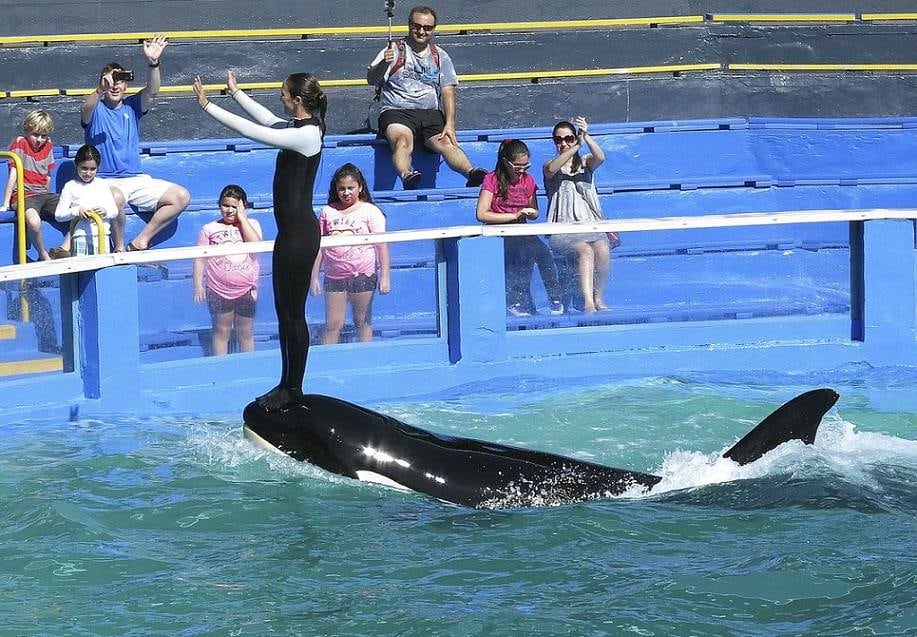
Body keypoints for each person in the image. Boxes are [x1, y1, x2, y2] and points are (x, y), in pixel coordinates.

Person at [193, 70, 325, 412]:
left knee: (294, 315)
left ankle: (294, 387)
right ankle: (286, 384)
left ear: (298, 100)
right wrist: (236, 94)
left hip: (300, 236)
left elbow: (256, 132)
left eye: (284, 93)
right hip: (290, 234)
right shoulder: (298, 127)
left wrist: (208, 106)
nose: (280, 97)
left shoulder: (309, 134)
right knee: (285, 313)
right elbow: (268, 119)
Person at [81, 34, 190, 252]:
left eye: (119, 80)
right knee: (116, 198)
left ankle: (140, 241)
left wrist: (153, 63)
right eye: (110, 80)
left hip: (136, 179)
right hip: (104, 181)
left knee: (181, 196)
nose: (115, 85)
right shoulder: (96, 109)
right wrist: (99, 90)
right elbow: (86, 108)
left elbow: (153, 90)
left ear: (126, 84)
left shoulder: (132, 106)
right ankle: (119, 249)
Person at [366, 5, 487, 190]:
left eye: (427, 28)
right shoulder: (393, 50)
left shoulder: (440, 55)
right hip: (398, 111)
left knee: (446, 142)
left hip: (429, 113)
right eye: (417, 26)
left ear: (433, 29)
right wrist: (384, 63)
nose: (421, 31)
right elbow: (372, 79)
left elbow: (448, 91)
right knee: (402, 141)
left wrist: (450, 124)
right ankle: (407, 175)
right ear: (409, 25)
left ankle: (471, 172)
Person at [475, 139, 563, 317]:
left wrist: (530, 214)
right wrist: (513, 216)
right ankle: (515, 300)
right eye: (517, 166)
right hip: (498, 230)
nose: (522, 170)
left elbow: (535, 210)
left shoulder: (528, 180)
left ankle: (555, 298)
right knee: (523, 254)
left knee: (544, 253)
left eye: (526, 165)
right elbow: (481, 214)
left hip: (521, 229)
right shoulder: (491, 179)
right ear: (506, 162)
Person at [310, 163, 391, 344]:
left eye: (350, 188)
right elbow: (320, 247)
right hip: (335, 277)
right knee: (332, 323)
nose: (346, 193)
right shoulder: (327, 212)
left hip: (362, 274)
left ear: (360, 187)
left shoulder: (370, 211)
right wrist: (314, 276)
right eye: (341, 189)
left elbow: (381, 245)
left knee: (361, 321)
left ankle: (366, 358)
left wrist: (385, 276)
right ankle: (326, 359)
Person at [544, 117, 615, 314]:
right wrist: (575, 146)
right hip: (562, 229)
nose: (563, 143)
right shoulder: (551, 164)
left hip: (589, 225)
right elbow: (551, 170)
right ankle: (587, 303)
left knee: (602, 249)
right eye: (559, 140)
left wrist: (586, 136)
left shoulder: (585, 163)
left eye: (568, 138)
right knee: (585, 250)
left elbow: (600, 157)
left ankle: (598, 297)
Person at [193, 184, 263, 356]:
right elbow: (200, 259)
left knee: (245, 332)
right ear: (219, 205)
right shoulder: (209, 229)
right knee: (221, 331)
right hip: (219, 290)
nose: (230, 210)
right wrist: (198, 286)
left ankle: (249, 367)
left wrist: (243, 219)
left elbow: (256, 247)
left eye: (235, 206)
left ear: (243, 207)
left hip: (246, 289)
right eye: (226, 205)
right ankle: (221, 368)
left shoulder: (251, 224)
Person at [1, 110, 70, 261]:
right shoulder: (20, 142)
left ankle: (64, 248)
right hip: (24, 195)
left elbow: (47, 175)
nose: (39, 140)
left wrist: (48, 196)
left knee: (80, 211)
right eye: (35, 135)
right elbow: (13, 173)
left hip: (43, 195)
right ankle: (43, 255)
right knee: (33, 221)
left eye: (43, 136)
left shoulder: (48, 145)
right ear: (26, 130)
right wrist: (6, 203)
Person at [53, 144, 119, 256]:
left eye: (93, 169)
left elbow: (114, 211)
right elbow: (59, 215)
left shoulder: (102, 184)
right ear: (76, 165)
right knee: (82, 270)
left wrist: (105, 211)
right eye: (84, 168)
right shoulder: (71, 186)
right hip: (81, 237)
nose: (88, 173)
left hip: (102, 236)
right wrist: (76, 211)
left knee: (100, 270)